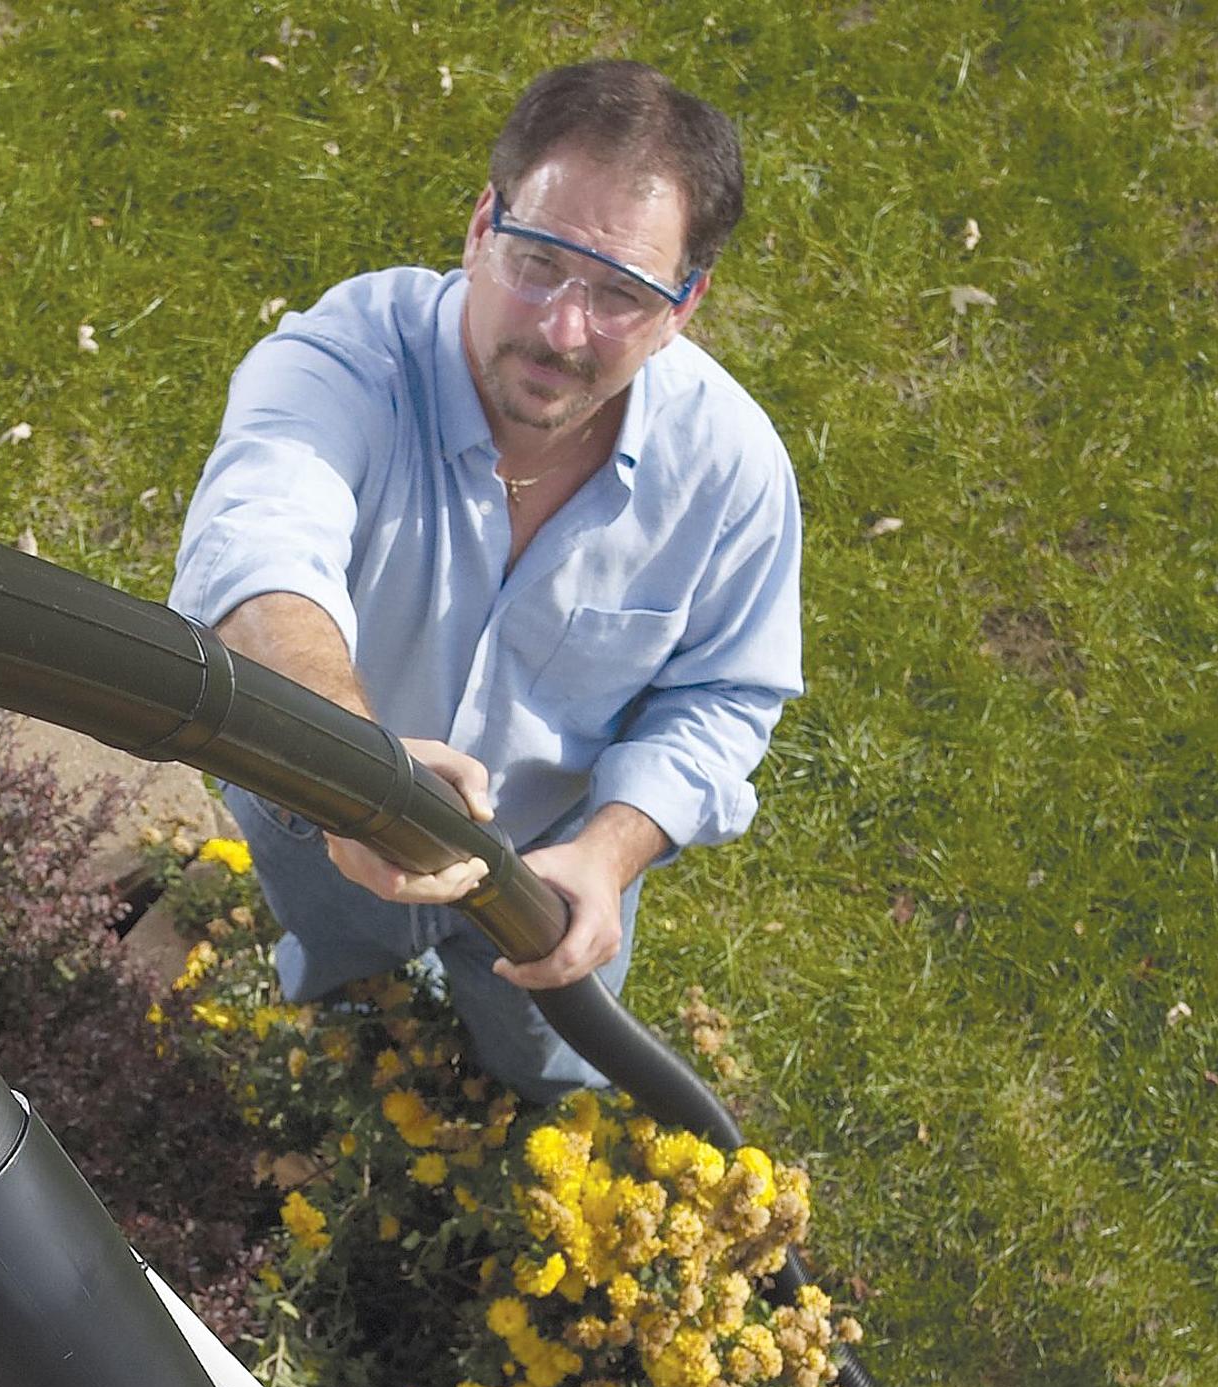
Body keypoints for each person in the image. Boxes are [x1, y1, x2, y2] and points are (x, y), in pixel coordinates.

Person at [167, 59, 803, 1102]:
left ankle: (521, 1112)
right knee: (335, 984)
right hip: (320, 800)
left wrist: (607, 852)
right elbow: (259, 550)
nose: (560, 329)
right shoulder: (342, 360)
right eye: (539, 261)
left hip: (549, 862)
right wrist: (354, 778)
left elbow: (725, 694)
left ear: (683, 306)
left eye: (618, 294)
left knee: (546, 1064)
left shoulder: (729, 472)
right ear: (479, 225)